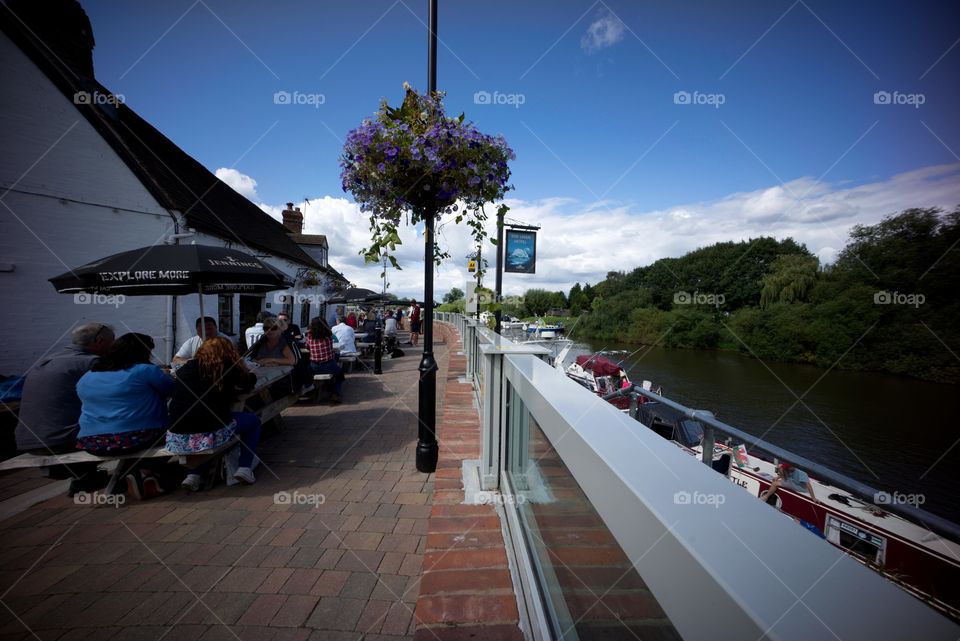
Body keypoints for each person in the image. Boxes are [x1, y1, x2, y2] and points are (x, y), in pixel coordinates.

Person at [15, 322, 114, 495]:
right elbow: (115, 398)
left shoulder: (46, 360)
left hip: (27, 440)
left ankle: (83, 476)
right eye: (112, 342)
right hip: (62, 440)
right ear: (99, 341)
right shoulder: (91, 363)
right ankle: (138, 473)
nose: (114, 347)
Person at [167, 337, 262, 489]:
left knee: (197, 423)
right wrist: (251, 373)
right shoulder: (227, 368)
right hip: (209, 432)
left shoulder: (185, 369)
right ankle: (244, 467)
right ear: (227, 352)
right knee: (252, 421)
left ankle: (193, 475)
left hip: (177, 435)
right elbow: (247, 383)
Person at [76, 333, 175, 454]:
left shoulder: (87, 376)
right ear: (143, 352)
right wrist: (166, 375)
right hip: (137, 436)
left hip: (91, 442)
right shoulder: (146, 370)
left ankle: (143, 471)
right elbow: (174, 390)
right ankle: (151, 470)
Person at [306, 317, 343, 403]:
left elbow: (307, 347)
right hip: (328, 365)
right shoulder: (328, 336)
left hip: (314, 366)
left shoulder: (310, 337)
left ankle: (310, 390)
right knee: (340, 375)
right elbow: (329, 333)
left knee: (306, 370)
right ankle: (335, 393)